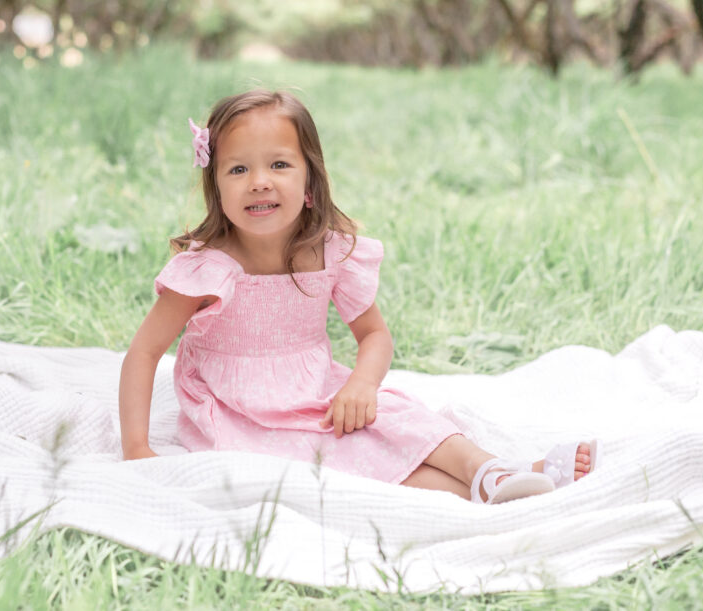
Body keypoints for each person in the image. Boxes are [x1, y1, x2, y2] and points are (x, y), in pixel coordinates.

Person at [118, 89, 598, 503]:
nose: (259, 180)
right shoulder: (206, 269)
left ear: (310, 181)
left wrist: (361, 385)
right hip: (237, 408)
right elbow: (144, 352)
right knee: (338, 461)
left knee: (400, 417)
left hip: (317, 387)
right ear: (215, 185)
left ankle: (491, 470)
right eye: (238, 168)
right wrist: (137, 446)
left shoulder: (327, 253)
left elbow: (374, 336)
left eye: (279, 164)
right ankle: (507, 487)